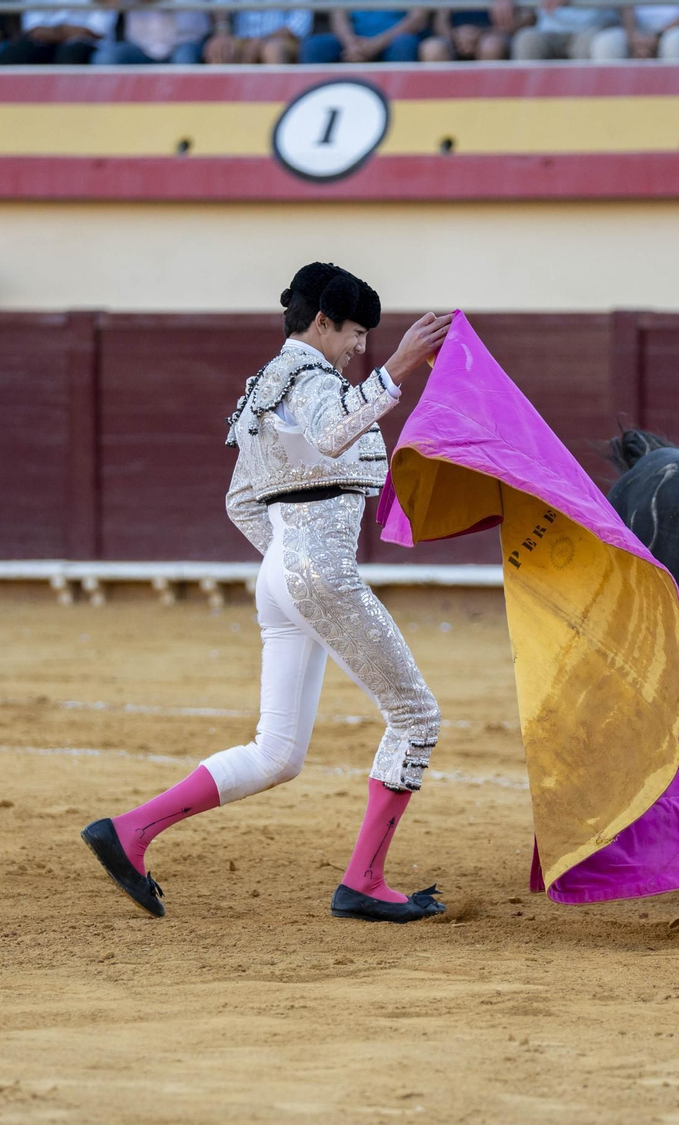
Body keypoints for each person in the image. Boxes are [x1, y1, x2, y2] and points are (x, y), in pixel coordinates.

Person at [81, 263, 454, 924]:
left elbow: (238, 502)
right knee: (416, 716)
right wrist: (398, 368)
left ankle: (131, 831)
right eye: (354, 332)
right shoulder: (311, 379)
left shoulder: (263, 389)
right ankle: (364, 880)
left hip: (280, 575)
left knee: (277, 752)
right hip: (315, 571)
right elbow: (333, 429)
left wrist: (287, 558)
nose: (359, 347)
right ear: (320, 323)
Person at [93, 0, 209, 65]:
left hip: (184, 43)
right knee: (105, 59)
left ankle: (185, 107)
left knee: (185, 59)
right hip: (140, 47)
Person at [301, 8, 430, 64]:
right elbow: (338, 16)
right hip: (353, 41)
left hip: (392, 40)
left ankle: (403, 104)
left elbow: (417, 18)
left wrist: (376, 44)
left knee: (404, 44)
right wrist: (350, 44)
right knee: (314, 46)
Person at [0, 7, 116, 65]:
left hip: (87, 45)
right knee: (12, 54)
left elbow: (96, 30)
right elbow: (34, 29)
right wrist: (65, 32)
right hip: (44, 42)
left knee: (70, 53)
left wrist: (57, 32)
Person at [511, 1, 620, 60]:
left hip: (593, 27)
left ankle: (584, 99)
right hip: (549, 29)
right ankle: (529, 100)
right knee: (527, 40)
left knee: (586, 45)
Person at [205, 5, 312, 64]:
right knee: (218, 49)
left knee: (272, 50)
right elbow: (220, 5)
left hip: (281, 39)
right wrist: (222, 33)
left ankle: (275, 101)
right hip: (241, 39)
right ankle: (224, 103)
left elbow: (299, 23)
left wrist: (261, 40)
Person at [592, 4, 679, 59]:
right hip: (637, 29)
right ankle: (612, 97)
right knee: (606, 43)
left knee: (675, 43)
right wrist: (633, 36)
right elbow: (626, 8)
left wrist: (659, 35)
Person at [419, 4, 521, 62]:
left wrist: (482, 33)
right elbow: (440, 19)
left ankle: (489, 98)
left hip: (494, 34)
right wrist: (454, 37)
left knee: (491, 47)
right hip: (453, 38)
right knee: (433, 50)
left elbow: (528, 17)